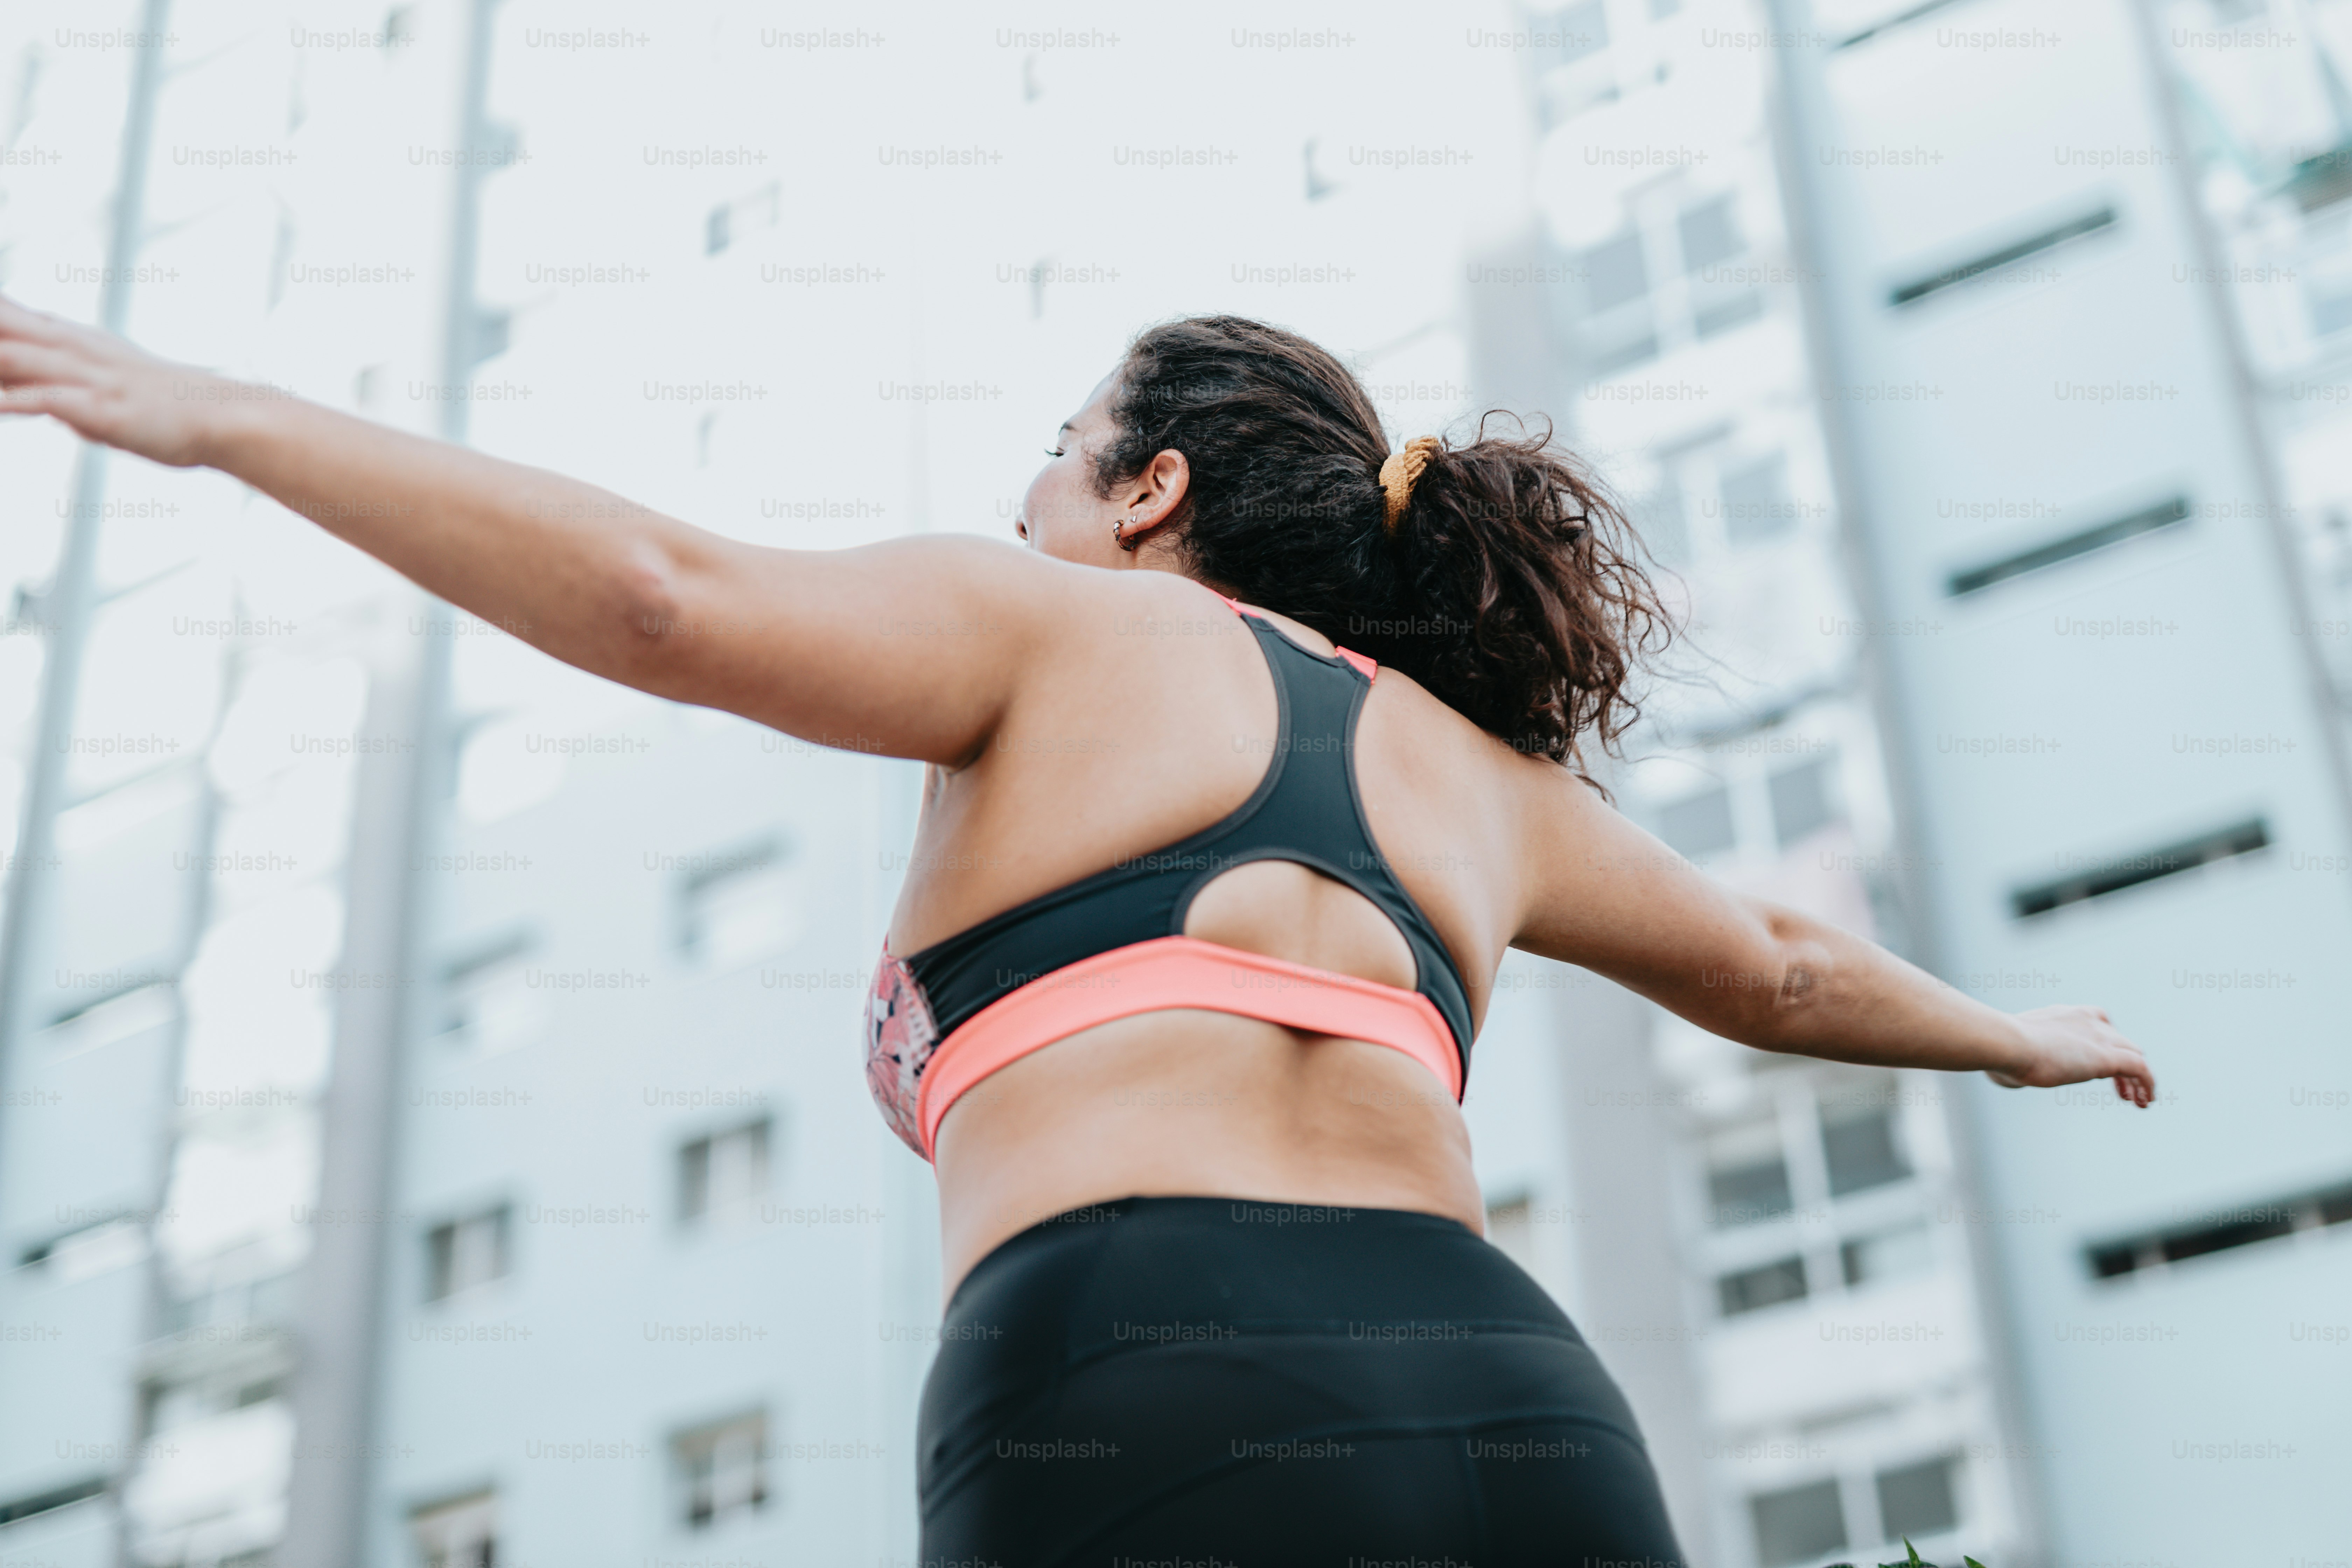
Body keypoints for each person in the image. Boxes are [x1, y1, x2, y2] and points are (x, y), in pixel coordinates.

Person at [0, 302, 2152, 1564]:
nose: (1030, 495)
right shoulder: (1485, 786)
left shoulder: (1048, 624)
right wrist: (2014, 1037)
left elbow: (665, 597)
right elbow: (1775, 967)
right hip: (1524, 1415)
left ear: (1150, 498)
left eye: (1059, 456)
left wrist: (215, 418)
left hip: (1134, 1371)